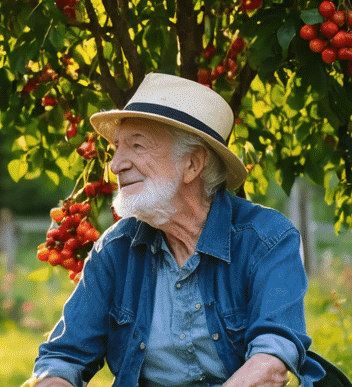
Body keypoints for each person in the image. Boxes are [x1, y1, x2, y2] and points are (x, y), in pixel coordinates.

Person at [30, 72, 332, 387]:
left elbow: (271, 363)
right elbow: (63, 358)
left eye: (137, 146)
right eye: (117, 147)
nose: (116, 164)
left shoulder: (267, 239)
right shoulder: (115, 249)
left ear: (192, 164)